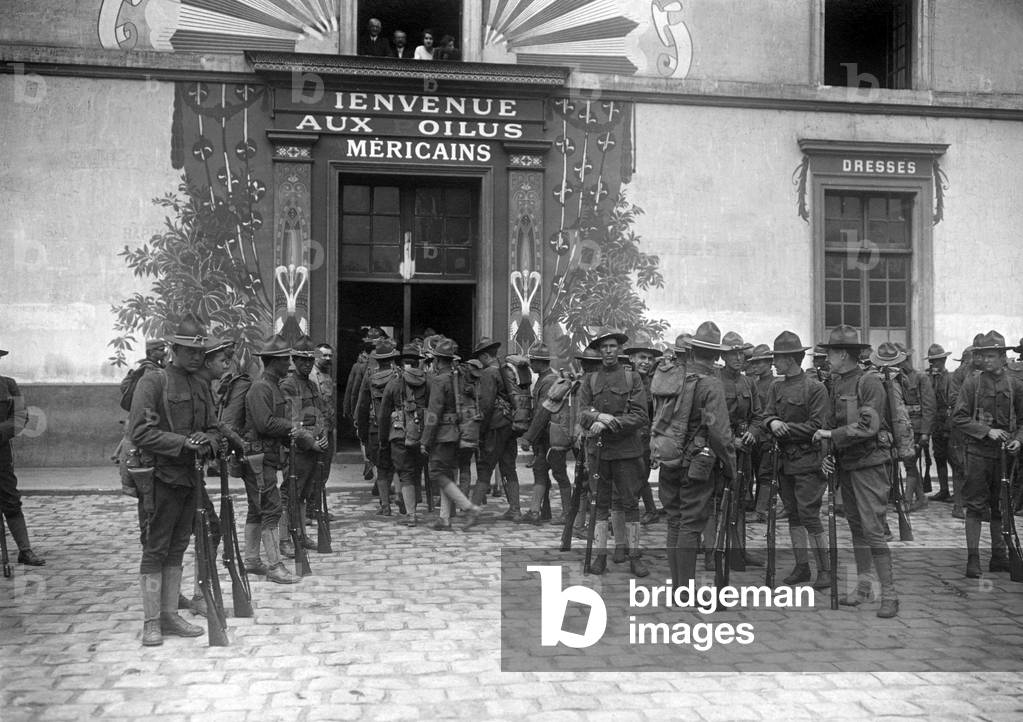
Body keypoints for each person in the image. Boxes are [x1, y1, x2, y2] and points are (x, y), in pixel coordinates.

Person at [130, 314, 224, 646]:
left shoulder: (200, 384)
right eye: (189, 351)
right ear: (173, 349)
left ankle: (170, 615)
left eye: (200, 352)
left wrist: (207, 440)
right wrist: (182, 443)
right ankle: (151, 621)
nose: (197, 357)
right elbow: (141, 432)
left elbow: (214, 429)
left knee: (179, 546)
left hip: (191, 478)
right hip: (160, 478)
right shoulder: (154, 383)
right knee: (156, 548)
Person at [813, 325, 899, 618]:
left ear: (843, 355)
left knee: (873, 529)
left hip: (870, 465)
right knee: (857, 528)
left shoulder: (868, 383)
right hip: (847, 465)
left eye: (830, 354)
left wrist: (830, 436)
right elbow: (828, 422)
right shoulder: (836, 384)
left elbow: (868, 426)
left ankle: (889, 595)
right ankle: (863, 588)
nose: (826, 359)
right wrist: (827, 454)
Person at [653, 323, 735, 590]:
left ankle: (679, 588)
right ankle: (684, 591)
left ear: (693, 351)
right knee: (690, 524)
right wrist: (731, 467)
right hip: (697, 465)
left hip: (670, 459)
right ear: (716, 356)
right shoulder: (712, 385)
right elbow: (720, 434)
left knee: (675, 521)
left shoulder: (676, 377)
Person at [577, 328, 650, 578]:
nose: (608, 351)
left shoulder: (633, 379)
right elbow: (582, 411)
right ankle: (600, 556)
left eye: (612, 347)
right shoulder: (591, 380)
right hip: (599, 452)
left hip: (626, 451)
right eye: (604, 347)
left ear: (619, 349)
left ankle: (634, 557)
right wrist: (598, 416)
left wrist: (608, 422)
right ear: (599, 351)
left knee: (630, 504)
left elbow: (640, 416)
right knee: (599, 504)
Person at [760, 331, 830, 588]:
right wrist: (772, 421)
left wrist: (784, 427)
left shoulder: (815, 388)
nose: (774, 362)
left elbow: (818, 426)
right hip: (783, 462)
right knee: (793, 515)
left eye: (777, 358)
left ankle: (825, 569)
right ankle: (802, 567)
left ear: (790, 359)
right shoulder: (775, 386)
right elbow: (765, 415)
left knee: (809, 515)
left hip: (809, 461)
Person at [951, 330, 1023, 578]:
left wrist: (1018, 441)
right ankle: (973, 560)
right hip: (978, 453)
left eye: (992, 356)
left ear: (1003, 357)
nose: (987, 360)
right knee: (974, 506)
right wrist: (986, 431)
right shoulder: (973, 382)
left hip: (1005, 455)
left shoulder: (1015, 384)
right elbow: (958, 417)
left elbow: (1022, 421)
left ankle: (999, 556)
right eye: (984, 356)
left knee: (1000, 506)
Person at [244, 334, 304, 581]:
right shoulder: (261, 387)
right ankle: (274, 566)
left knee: (256, 509)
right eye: (285, 359)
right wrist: (291, 426)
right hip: (258, 458)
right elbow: (264, 422)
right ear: (273, 361)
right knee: (271, 508)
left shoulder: (273, 386)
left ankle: (252, 559)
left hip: (268, 456)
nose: (289, 364)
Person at [711, 331, 764, 568]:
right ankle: (715, 551)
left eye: (741, 353)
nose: (738, 357)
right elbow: (709, 418)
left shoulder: (748, 382)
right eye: (733, 353)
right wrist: (731, 440)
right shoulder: (713, 380)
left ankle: (739, 551)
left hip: (744, 450)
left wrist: (753, 432)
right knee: (716, 500)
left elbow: (758, 415)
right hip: (719, 450)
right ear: (723, 355)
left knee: (740, 500)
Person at [420, 338, 482, 531]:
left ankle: (468, 508)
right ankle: (445, 519)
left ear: (438, 361)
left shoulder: (440, 380)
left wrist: (425, 440)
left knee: (437, 472)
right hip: (461, 432)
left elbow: (433, 413)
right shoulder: (460, 377)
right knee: (447, 473)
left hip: (444, 434)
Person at [281, 336, 330, 545]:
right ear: (294, 360)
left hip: (314, 446)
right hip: (297, 448)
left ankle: (300, 535)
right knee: (290, 494)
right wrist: (311, 442)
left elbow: (321, 413)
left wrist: (324, 434)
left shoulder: (311, 385)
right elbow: (293, 421)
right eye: (303, 360)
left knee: (304, 493)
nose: (307, 364)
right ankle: (284, 538)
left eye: (310, 361)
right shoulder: (289, 386)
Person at [518, 343, 571, 524]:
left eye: (533, 361)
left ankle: (567, 513)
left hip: (552, 436)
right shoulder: (544, 378)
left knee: (559, 473)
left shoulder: (549, 380)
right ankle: (537, 511)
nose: (531, 364)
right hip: (545, 437)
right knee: (540, 471)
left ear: (541, 362)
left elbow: (543, 413)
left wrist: (528, 436)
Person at [0, 346, 44, 567]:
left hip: (1, 452)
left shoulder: (9, 385)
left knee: (10, 498)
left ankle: (25, 550)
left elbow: (20, 416)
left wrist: (1, 432)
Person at [471, 337, 521, 520]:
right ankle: (515, 510)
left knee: (485, 468)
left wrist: (481, 431)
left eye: (479, 357)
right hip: (510, 424)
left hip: (495, 426)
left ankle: (473, 513)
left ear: (485, 356)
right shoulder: (506, 370)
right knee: (509, 467)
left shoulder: (488, 373)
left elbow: (486, 404)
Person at [378, 344, 428, 526]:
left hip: (398, 434)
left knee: (405, 474)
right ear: (418, 362)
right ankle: (414, 505)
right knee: (416, 471)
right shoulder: (427, 382)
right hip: (421, 433)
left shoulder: (393, 383)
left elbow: (383, 415)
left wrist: (383, 439)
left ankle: (411, 514)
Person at [356, 339, 403, 514]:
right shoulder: (399, 375)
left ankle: (385, 506)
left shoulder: (369, 376)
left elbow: (362, 406)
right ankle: (401, 496)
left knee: (382, 468)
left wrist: (362, 432)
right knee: (400, 465)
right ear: (392, 358)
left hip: (376, 427)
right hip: (398, 427)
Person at [623, 332, 662, 528]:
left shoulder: (656, 383)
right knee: (628, 480)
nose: (646, 362)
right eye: (642, 357)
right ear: (631, 358)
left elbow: (659, 415)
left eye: (649, 358)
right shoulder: (625, 380)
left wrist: (656, 445)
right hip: (627, 439)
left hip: (646, 441)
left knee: (639, 478)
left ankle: (630, 520)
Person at [894, 343, 936, 511]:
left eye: (900, 361)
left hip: (918, 428)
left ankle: (907, 500)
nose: (899, 365)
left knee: (910, 463)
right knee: (909, 463)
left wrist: (926, 433)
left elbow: (929, 406)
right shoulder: (897, 378)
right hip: (904, 428)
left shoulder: (920, 378)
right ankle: (920, 498)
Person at [309, 343, 336, 522]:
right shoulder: (311, 377)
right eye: (324, 355)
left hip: (328, 427)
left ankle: (316, 508)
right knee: (314, 471)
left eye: (329, 356)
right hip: (316, 429)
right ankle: (310, 510)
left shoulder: (327, 375)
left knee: (324, 471)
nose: (327, 359)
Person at [925, 344, 955, 503]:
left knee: (953, 457)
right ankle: (944, 490)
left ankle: (958, 492)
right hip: (935, 420)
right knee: (939, 456)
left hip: (947, 419)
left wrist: (948, 424)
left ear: (943, 360)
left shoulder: (950, 378)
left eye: (936, 360)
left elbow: (951, 402)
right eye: (932, 361)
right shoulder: (928, 377)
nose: (933, 364)